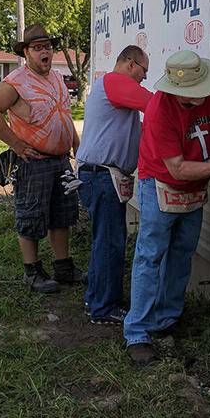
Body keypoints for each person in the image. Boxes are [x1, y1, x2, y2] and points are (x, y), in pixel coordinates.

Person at [123, 50, 210, 366]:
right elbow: (176, 169)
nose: (190, 102)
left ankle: (167, 319)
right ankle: (137, 331)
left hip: (194, 187)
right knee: (150, 255)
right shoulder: (160, 110)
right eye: (185, 98)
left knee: (182, 252)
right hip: (161, 184)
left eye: (194, 96)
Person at [0, 24, 84, 294]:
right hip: (33, 161)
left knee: (62, 214)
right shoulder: (16, 82)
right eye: (37, 48)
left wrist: (76, 145)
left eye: (47, 46)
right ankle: (33, 271)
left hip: (61, 160)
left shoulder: (58, 78)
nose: (44, 52)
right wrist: (15, 144)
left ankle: (63, 266)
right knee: (31, 215)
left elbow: (64, 116)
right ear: (26, 52)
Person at [74, 45, 153, 325]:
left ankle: (96, 299)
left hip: (101, 175)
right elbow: (153, 104)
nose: (144, 77)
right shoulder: (115, 82)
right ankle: (103, 306)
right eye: (144, 71)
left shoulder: (110, 87)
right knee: (109, 242)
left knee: (104, 240)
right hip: (102, 175)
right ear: (131, 64)